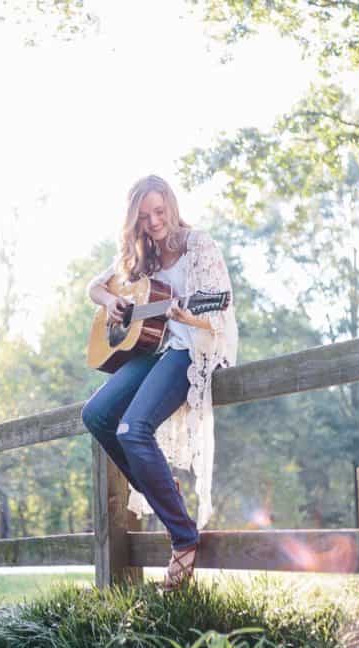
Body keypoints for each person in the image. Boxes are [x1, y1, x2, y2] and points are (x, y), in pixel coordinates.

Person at [81, 174, 238, 590]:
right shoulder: (143, 254)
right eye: (144, 216)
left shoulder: (197, 243)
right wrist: (114, 303)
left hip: (192, 346)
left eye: (159, 211)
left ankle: (184, 538)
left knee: (133, 429)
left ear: (171, 204)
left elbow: (219, 308)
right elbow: (94, 288)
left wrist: (187, 316)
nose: (153, 222)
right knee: (96, 414)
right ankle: (160, 484)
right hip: (155, 350)